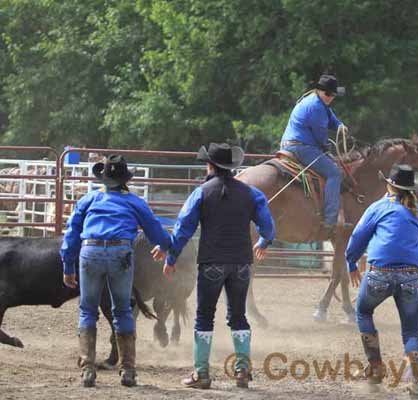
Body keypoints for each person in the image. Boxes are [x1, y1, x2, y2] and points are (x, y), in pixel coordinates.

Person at [152, 143, 275, 390]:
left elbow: (183, 228)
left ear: (210, 166)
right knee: (238, 316)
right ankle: (242, 371)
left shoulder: (201, 193)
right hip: (241, 263)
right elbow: (268, 227)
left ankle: (202, 374)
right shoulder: (251, 194)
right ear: (231, 168)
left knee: (204, 317)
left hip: (211, 262)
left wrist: (171, 257)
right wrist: (263, 241)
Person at [60, 154, 172, 388]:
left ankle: (88, 369)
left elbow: (71, 234)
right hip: (121, 252)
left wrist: (68, 266)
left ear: (104, 178)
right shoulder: (134, 201)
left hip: (89, 252)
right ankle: (128, 370)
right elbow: (156, 232)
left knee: (88, 309)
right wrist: (166, 246)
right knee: (122, 310)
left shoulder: (89, 199)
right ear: (126, 180)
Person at [345, 164, 418, 397]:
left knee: (363, 312)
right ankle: (414, 381)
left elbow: (358, 237)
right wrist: (413, 261)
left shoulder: (379, 208)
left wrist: (351, 262)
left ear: (389, 184)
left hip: (379, 273)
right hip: (409, 276)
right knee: (411, 331)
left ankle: (375, 368)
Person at [280, 73, 348, 237]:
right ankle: (330, 221)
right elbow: (320, 136)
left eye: (333, 95)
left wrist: (340, 126)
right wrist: (327, 149)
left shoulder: (318, 101)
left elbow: (331, 119)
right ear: (320, 91)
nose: (331, 97)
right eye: (328, 94)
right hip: (301, 147)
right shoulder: (316, 107)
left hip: (293, 144)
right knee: (334, 173)